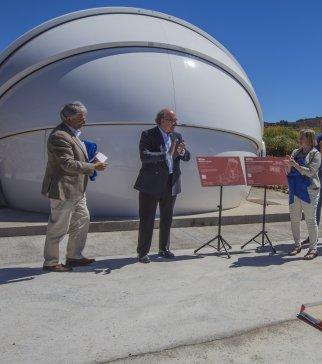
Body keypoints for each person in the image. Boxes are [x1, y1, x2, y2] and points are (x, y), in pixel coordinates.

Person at [41, 101, 107, 272]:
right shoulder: (59, 136)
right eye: (80, 118)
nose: (84, 121)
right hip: (63, 190)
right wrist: (93, 167)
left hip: (77, 189)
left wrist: (92, 162)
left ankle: (74, 257)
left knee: (82, 220)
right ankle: (51, 262)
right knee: (58, 227)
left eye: (84, 117)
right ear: (68, 118)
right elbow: (67, 164)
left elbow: (75, 160)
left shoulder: (73, 133)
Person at [134, 108, 191, 263]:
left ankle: (164, 249)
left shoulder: (176, 136)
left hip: (171, 183)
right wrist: (167, 154)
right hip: (151, 184)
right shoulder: (148, 134)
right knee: (147, 219)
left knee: (167, 218)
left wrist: (181, 152)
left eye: (175, 120)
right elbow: (145, 156)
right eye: (172, 120)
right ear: (161, 120)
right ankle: (143, 252)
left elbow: (187, 157)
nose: (175, 123)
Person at [285, 129, 321, 260]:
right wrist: (288, 166)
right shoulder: (295, 152)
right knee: (294, 219)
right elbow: (289, 171)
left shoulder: (316, 154)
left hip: (309, 191)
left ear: (310, 139)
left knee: (310, 220)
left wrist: (295, 164)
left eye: (303, 137)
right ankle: (297, 245)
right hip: (295, 189)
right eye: (300, 136)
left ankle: (313, 249)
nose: (300, 139)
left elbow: (311, 172)